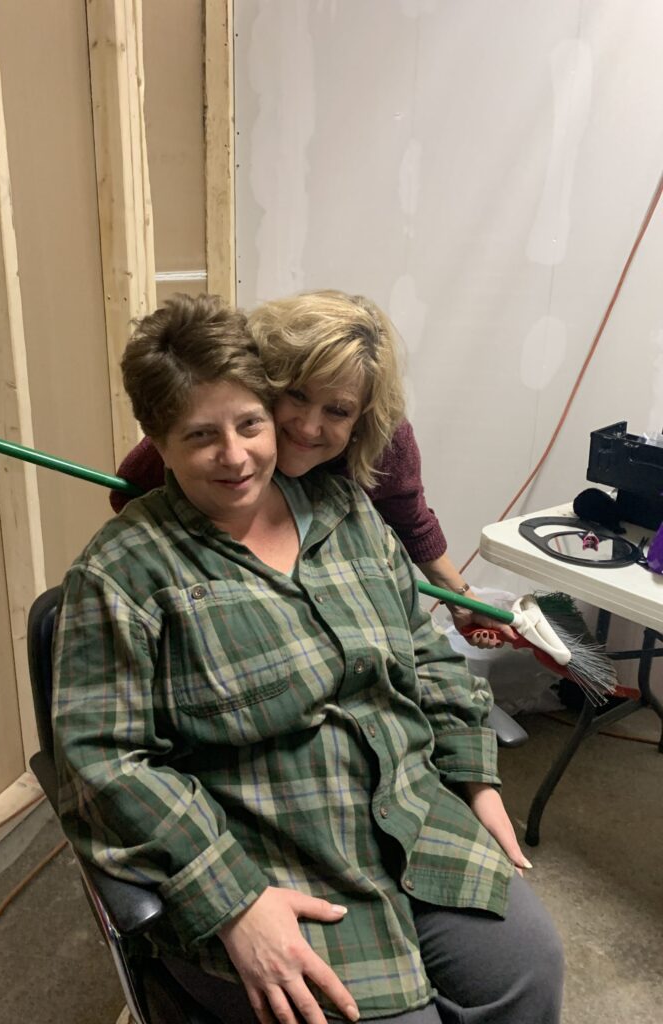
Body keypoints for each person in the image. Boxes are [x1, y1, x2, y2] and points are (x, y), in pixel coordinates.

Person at [53, 294, 562, 1024]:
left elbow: (424, 654)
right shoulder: (122, 574)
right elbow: (105, 763)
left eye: (248, 424)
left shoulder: (346, 512)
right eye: (201, 435)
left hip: (410, 820)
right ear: (158, 442)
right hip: (272, 862)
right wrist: (232, 900)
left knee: (528, 971)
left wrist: (473, 779)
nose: (236, 455)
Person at [110, 290, 513, 649]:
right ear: (265, 383)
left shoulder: (385, 443)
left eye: (337, 411)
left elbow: (411, 520)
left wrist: (463, 598)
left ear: (362, 419)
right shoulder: (224, 436)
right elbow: (130, 490)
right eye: (296, 396)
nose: (307, 427)